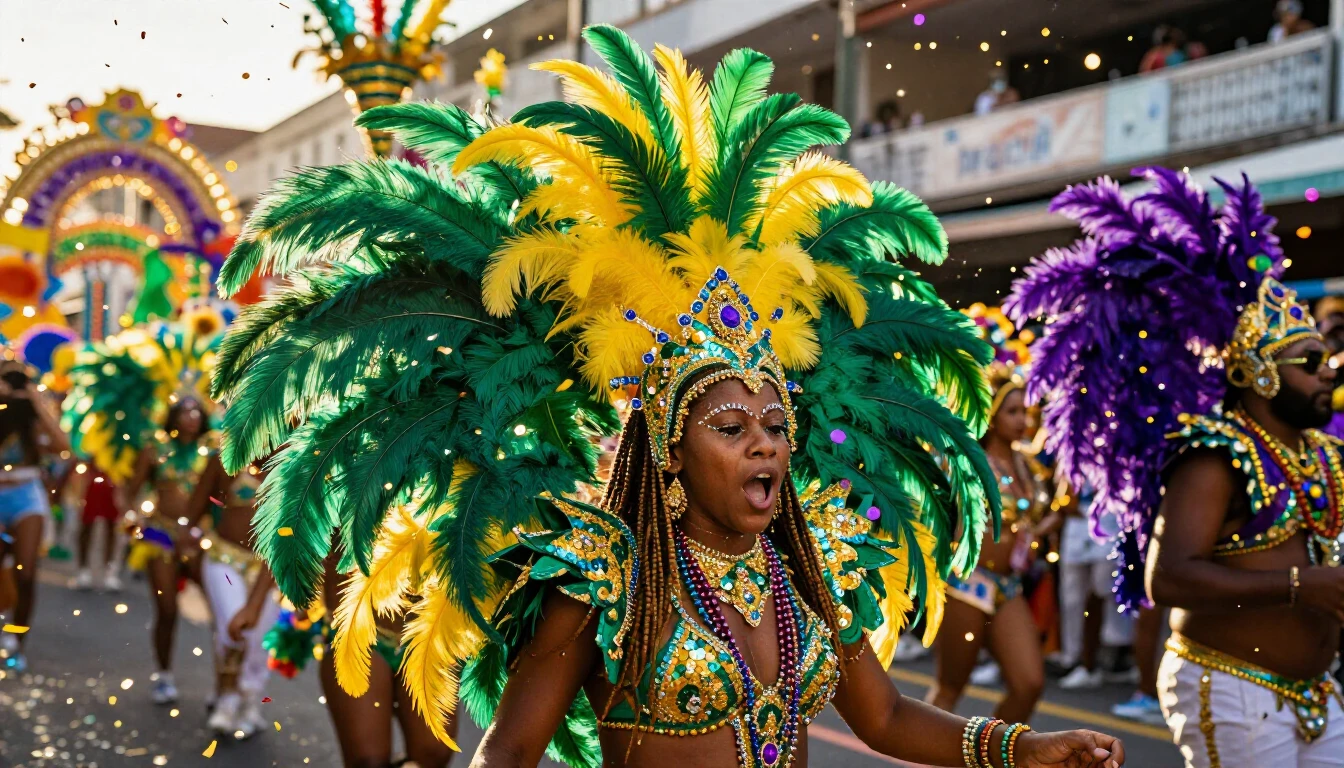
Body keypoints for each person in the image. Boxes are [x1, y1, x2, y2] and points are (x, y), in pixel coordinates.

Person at [211, 25, 1126, 768]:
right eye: (730, 427)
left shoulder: (813, 564)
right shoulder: (606, 576)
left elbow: (884, 718)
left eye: (776, 423)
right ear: (671, 451)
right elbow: (511, 750)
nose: (766, 444)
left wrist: (1019, 748)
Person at [1007, 166, 1344, 767]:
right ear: (1259, 374)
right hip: (1237, 688)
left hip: (1318, 692)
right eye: (1309, 359)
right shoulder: (1214, 455)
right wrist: (1301, 587)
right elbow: (1170, 579)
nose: (1329, 369)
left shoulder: (1323, 454)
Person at [64, 322, 223, 706]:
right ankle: (164, 675)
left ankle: (225, 688)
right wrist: (133, 519)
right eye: (183, 410)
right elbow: (129, 491)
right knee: (167, 610)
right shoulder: (154, 450)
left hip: (200, 538)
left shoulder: (214, 453)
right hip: (159, 536)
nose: (190, 416)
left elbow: (223, 499)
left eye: (195, 410)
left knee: (222, 612)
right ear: (172, 414)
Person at [927, 366, 1055, 723]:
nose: (1022, 421)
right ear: (991, 416)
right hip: (966, 583)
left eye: (1025, 412)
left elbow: (1036, 518)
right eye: (1012, 412)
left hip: (1008, 587)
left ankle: (997, 756)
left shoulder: (1027, 464)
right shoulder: (968, 461)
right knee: (950, 689)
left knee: (1029, 683)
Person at [184, 452, 281, 739]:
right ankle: (227, 698)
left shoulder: (297, 462)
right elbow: (196, 506)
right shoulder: (226, 458)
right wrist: (183, 539)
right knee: (232, 626)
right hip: (224, 559)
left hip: (271, 566)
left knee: (261, 637)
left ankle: (251, 698)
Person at [0, 358, 70, 672]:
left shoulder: (32, 416)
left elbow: (63, 446)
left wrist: (36, 403)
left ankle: (16, 639)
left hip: (26, 493)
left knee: (25, 574)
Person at [73, 468, 123, 591]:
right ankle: (83, 570)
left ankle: (110, 572)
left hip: (114, 482)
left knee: (112, 527)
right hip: (91, 482)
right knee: (86, 526)